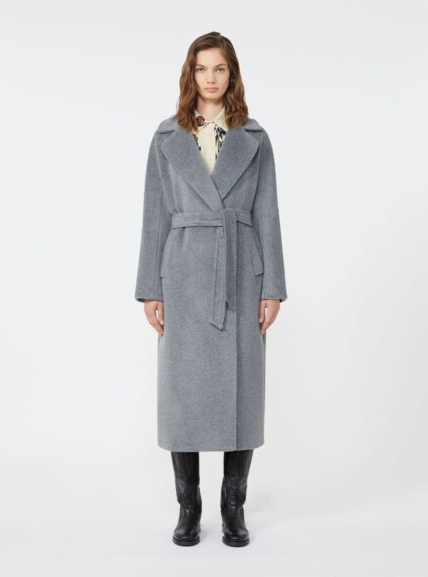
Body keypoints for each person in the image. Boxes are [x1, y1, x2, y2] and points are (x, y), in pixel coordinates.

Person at [134, 31, 288, 547]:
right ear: (190, 74)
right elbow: (155, 215)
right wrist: (150, 288)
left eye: (219, 68)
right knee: (183, 393)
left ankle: (233, 506)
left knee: (242, 391)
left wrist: (273, 286)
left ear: (232, 74)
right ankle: (188, 505)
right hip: (181, 273)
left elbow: (268, 213)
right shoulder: (167, 137)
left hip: (242, 273)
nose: (211, 78)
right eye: (202, 69)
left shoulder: (255, 138)